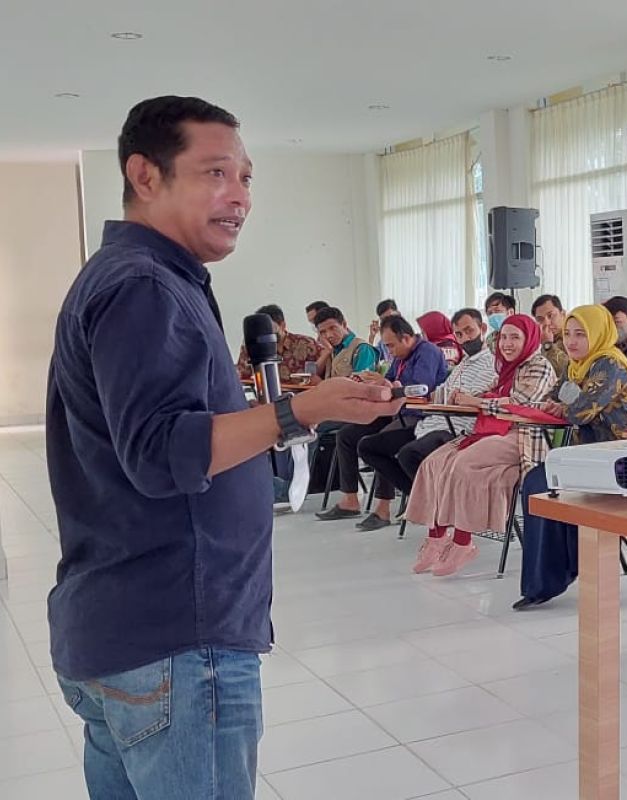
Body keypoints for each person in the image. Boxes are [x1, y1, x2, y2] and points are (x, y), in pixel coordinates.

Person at [45, 95, 403, 800]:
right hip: (174, 636)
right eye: (215, 173)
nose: (239, 197)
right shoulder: (144, 286)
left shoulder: (141, 278)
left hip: (128, 630)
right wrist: (302, 408)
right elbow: (159, 452)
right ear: (146, 175)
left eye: (246, 178)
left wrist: (292, 412)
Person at [514, 305, 627, 609]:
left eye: (581, 334)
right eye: (568, 334)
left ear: (599, 334)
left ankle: (552, 577)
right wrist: (563, 403)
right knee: (537, 482)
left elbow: (581, 411)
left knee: (542, 482)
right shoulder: (576, 366)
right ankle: (549, 577)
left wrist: (567, 404)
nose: (572, 342)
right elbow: (552, 398)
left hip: (621, 457)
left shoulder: (609, 364)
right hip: (588, 454)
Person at [405, 314, 556, 576]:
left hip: (523, 435)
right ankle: (437, 535)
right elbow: (489, 393)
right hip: (494, 431)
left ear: (529, 339)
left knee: (463, 463)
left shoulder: (539, 365)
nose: (507, 343)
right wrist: (465, 398)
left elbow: (518, 404)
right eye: (504, 337)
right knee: (435, 462)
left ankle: (463, 542)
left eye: (515, 337)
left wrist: (474, 402)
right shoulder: (505, 368)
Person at [358, 308, 498, 523]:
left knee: (408, 455)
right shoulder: (462, 365)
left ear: (483, 328)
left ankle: (433, 505)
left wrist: (448, 397)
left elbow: (469, 396)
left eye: (469, 330)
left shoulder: (493, 364)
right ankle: (426, 500)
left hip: (458, 428)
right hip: (432, 420)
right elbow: (441, 393)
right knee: (369, 446)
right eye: (459, 334)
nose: (465, 338)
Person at [315, 314, 449, 530]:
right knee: (346, 436)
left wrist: (386, 382)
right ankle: (350, 499)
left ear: (406, 338)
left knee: (377, 442)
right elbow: (392, 382)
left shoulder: (428, 352)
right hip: (395, 411)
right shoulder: (401, 354)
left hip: (420, 416)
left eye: (391, 345)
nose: (390, 351)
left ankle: (384, 507)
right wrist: (370, 382)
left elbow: (419, 389)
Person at [235, 303, 320, 380]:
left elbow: (320, 376)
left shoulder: (306, 344)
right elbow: (242, 377)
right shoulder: (252, 347)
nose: (266, 334)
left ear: (282, 325)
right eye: (262, 330)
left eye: (269, 329)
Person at [311, 306, 376, 382]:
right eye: (323, 332)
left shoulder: (362, 348)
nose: (329, 335)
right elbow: (312, 377)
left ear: (344, 325)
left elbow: (361, 385)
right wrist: (327, 352)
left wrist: (321, 384)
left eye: (333, 328)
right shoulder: (330, 348)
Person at [532, 293, 571, 378]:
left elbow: (566, 371)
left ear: (563, 314)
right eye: (540, 319)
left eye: (551, 316)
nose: (546, 323)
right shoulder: (539, 339)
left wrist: (548, 345)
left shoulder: (573, 337)